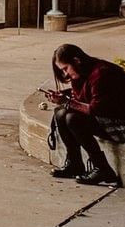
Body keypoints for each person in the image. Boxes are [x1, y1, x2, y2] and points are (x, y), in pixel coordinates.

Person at [43, 44, 125, 186]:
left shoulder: (102, 73)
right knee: (60, 113)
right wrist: (63, 98)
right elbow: (80, 99)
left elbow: (95, 109)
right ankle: (74, 164)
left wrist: (67, 102)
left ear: (77, 61)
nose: (65, 74)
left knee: (73, 118)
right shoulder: (80, 75)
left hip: (119, 124)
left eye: (65, 68)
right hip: (105, 120)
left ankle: (102, 168)